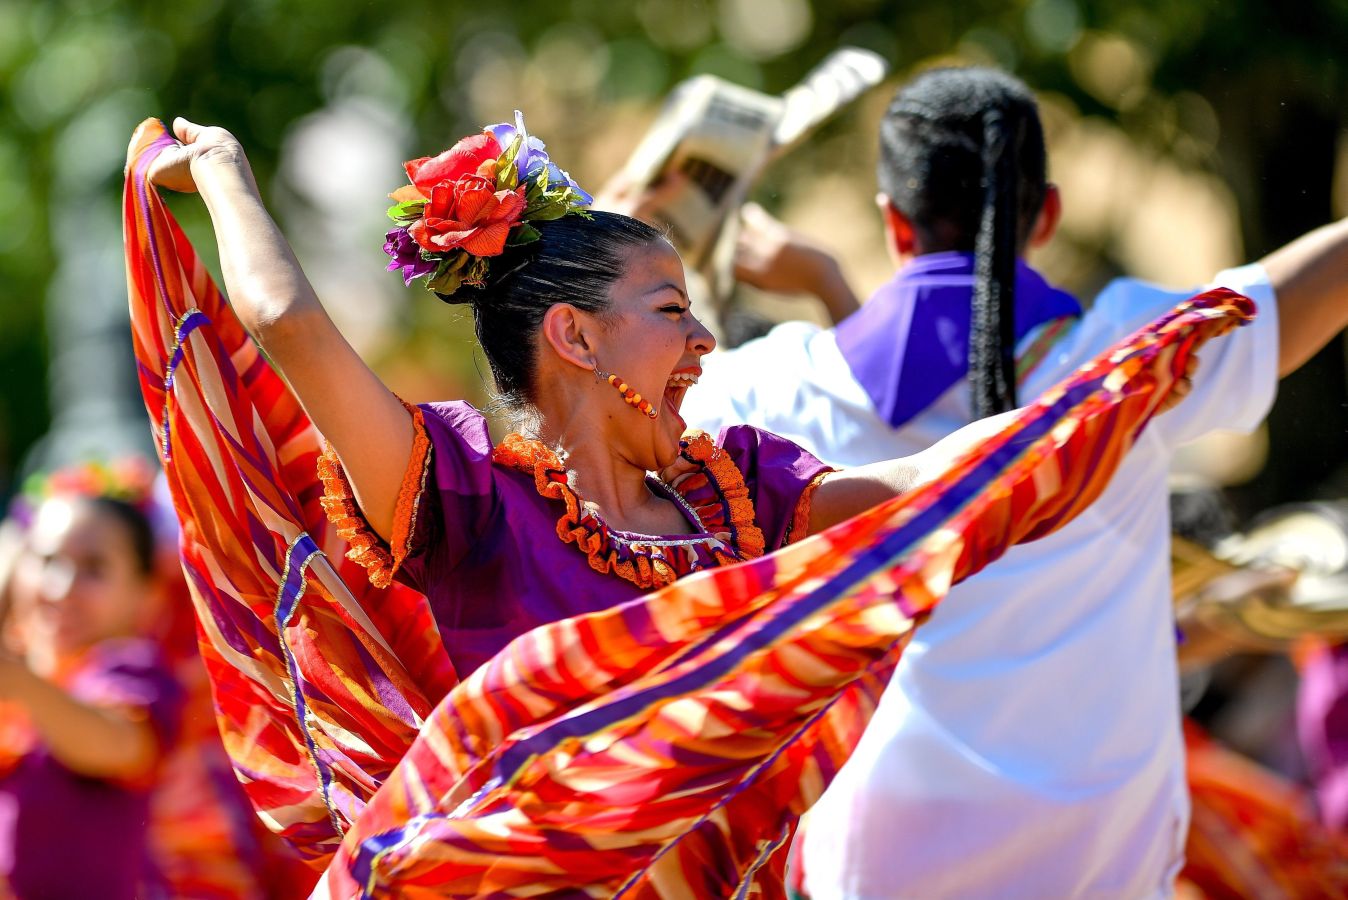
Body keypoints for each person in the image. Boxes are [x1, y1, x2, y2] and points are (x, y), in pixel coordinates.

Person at [128, 112, 1241, 895]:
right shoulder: (464, 497)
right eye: (672, 309)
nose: (706, 341)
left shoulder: (741, 490)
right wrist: (223, 169)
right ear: (573, 337)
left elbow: (926, 490)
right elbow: (285, 321)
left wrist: (1113, 386)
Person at [681, 66, 1348, 898]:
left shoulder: (769, 389)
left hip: (878, 855)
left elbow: (614, 396)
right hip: (1100, 858)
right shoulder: (1137, 355)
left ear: (894, 223)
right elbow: (1300, 290)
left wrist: (660, 222)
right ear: (1048, 212)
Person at [0, 484, 184, 898]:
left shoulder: (129, 669)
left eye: (94, 568)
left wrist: (22, 685)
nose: (60, 588)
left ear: (147, 596)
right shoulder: (21, 679)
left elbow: (119, 745)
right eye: (46, 560)